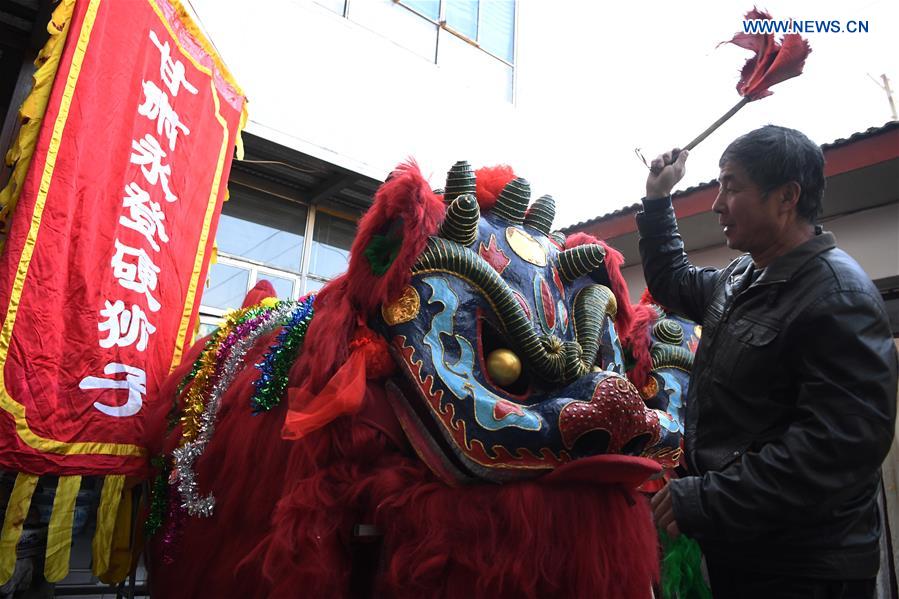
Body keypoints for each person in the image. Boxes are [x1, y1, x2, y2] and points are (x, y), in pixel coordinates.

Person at [640, 125, 898, 598]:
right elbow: (671, 279)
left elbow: (835, 449)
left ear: (786, 197)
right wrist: (658, 199)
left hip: (804, 570)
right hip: (744, 551)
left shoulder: (838, 296)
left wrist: (708, 498)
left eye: (732, 187)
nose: (717, 204)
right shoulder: (741, 278)